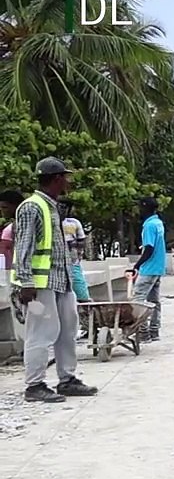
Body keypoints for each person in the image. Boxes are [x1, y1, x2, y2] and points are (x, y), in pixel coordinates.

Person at [11, 158, 98, 403]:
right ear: (57, 178)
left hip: (62, 280)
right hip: (41, 284)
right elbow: (23, 247)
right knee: (40, 334)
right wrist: (26, 282)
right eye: (66, 177)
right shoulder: (32, 207)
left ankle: (67, 379)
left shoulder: (52, 207)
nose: (68, 181)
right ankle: (35, 385)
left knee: (67, 332)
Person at [129, 196, 165, 342]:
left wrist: (136, 266)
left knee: (138, 300)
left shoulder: (149, 226)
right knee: (154, 301)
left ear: (145, 208)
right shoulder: (158, 223)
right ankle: (154, 331)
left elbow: (149, 249)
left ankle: (143, 333)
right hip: (158, 267)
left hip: (149, 268)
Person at [58, 200, 91, 303]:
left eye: (65, 207)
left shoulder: (74, 223)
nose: (62, 210)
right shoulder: (50, 222)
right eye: (60, 207)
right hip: (56, 262)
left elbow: (82, 242)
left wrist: (71, 244)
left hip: (72, 260)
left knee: (80, 288)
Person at [0, 189, 24, 271]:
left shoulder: (11, 228)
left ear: (15, 206)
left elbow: (4, 254)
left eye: (4, 207)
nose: (1, 210)